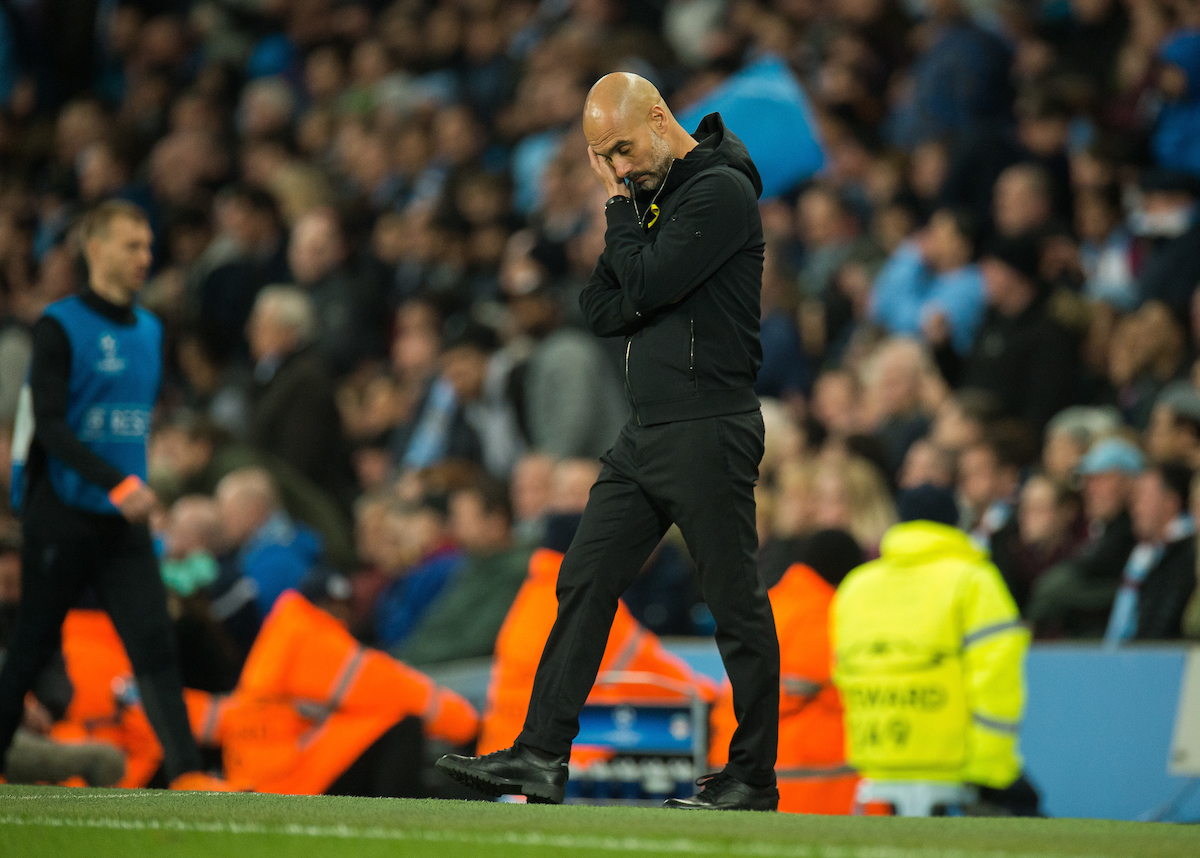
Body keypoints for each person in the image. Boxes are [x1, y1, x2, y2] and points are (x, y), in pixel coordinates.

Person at [436, 72, 781, 811]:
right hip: (647, 430)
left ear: (660, 118)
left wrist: (622, 215)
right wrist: (636, 245)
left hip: (707, 423)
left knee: (734, 603)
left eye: (622, 148)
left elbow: (646, 287)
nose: (619, 167)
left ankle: (753, 774)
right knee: (582, 579)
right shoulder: (654, 199)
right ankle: (540, 756)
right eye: (603, 157)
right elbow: (599, 306)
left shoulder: (720, 192)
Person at [0, 201, 226, 791]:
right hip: (64, 512)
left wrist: (136, 484)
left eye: (147, 246)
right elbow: (49, 424)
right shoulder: (60, 326)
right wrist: (115, 481)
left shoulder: (151, 329)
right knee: (31, 646)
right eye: (130, 245)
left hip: (122, 519)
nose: (142, 258)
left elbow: (130, 425)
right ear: (93, 248)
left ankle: (187, 776)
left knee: (154, 645)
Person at [831, 485, 1030, 815]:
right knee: (1027, 806)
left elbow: (842, 673)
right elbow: (997, 676)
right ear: (956, 523)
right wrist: (991, 769)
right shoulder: (974, 580)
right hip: (954, 760)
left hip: (875, 757)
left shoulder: (856, 585)